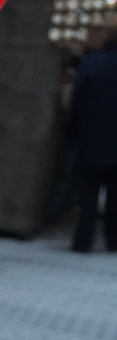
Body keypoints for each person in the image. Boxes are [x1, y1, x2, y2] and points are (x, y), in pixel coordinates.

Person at [68, 18, 117, 253]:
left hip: (92, 137)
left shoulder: (92, 63)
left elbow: (77, 101)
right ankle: (113, 240)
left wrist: (72, 132)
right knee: (115, 199)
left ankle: (83, 240)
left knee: (88, 197)